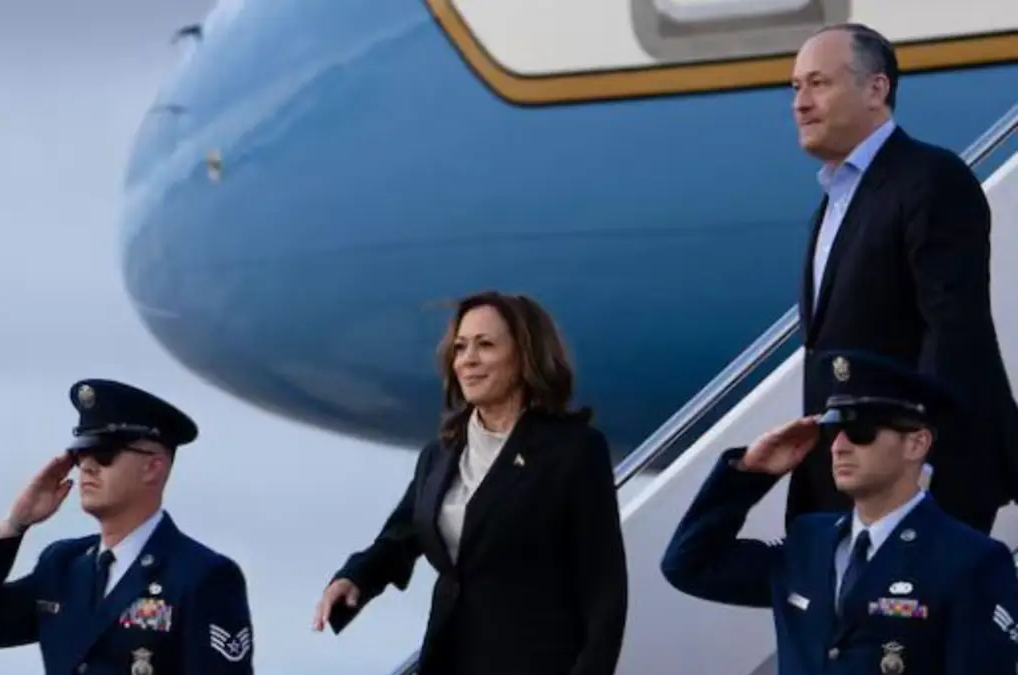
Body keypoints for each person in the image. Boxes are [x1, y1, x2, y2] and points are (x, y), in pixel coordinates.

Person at [311, 290, 628, 675]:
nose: (468, 360)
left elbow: (604, 589)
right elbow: (401, 537)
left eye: (485, 345)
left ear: (525, 356)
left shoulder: (574, 451)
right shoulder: (440, 454)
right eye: (460, 347)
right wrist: (356, 577)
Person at [787, 22, 1018, 533]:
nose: (800, 103)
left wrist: (920, 466)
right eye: (796, 87)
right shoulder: (834, 202)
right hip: (851, 481)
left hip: (913, 481)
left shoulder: (931, 180)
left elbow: (953, 331)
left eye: (818, 83)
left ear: (876, 89)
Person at [661, 350, 1018, 675]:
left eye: (860, 432)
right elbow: (689, 566)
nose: (839, 447)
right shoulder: (808, 540)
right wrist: (749, 472)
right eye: (834, 431)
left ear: (916, 443)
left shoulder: (970, 561)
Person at [0, 379, 255, 675]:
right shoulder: (63, 565)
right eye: (81, 454)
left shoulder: (201, 575)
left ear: (152, 467)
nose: (87, 466)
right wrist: (15, 524)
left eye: (104, 453)